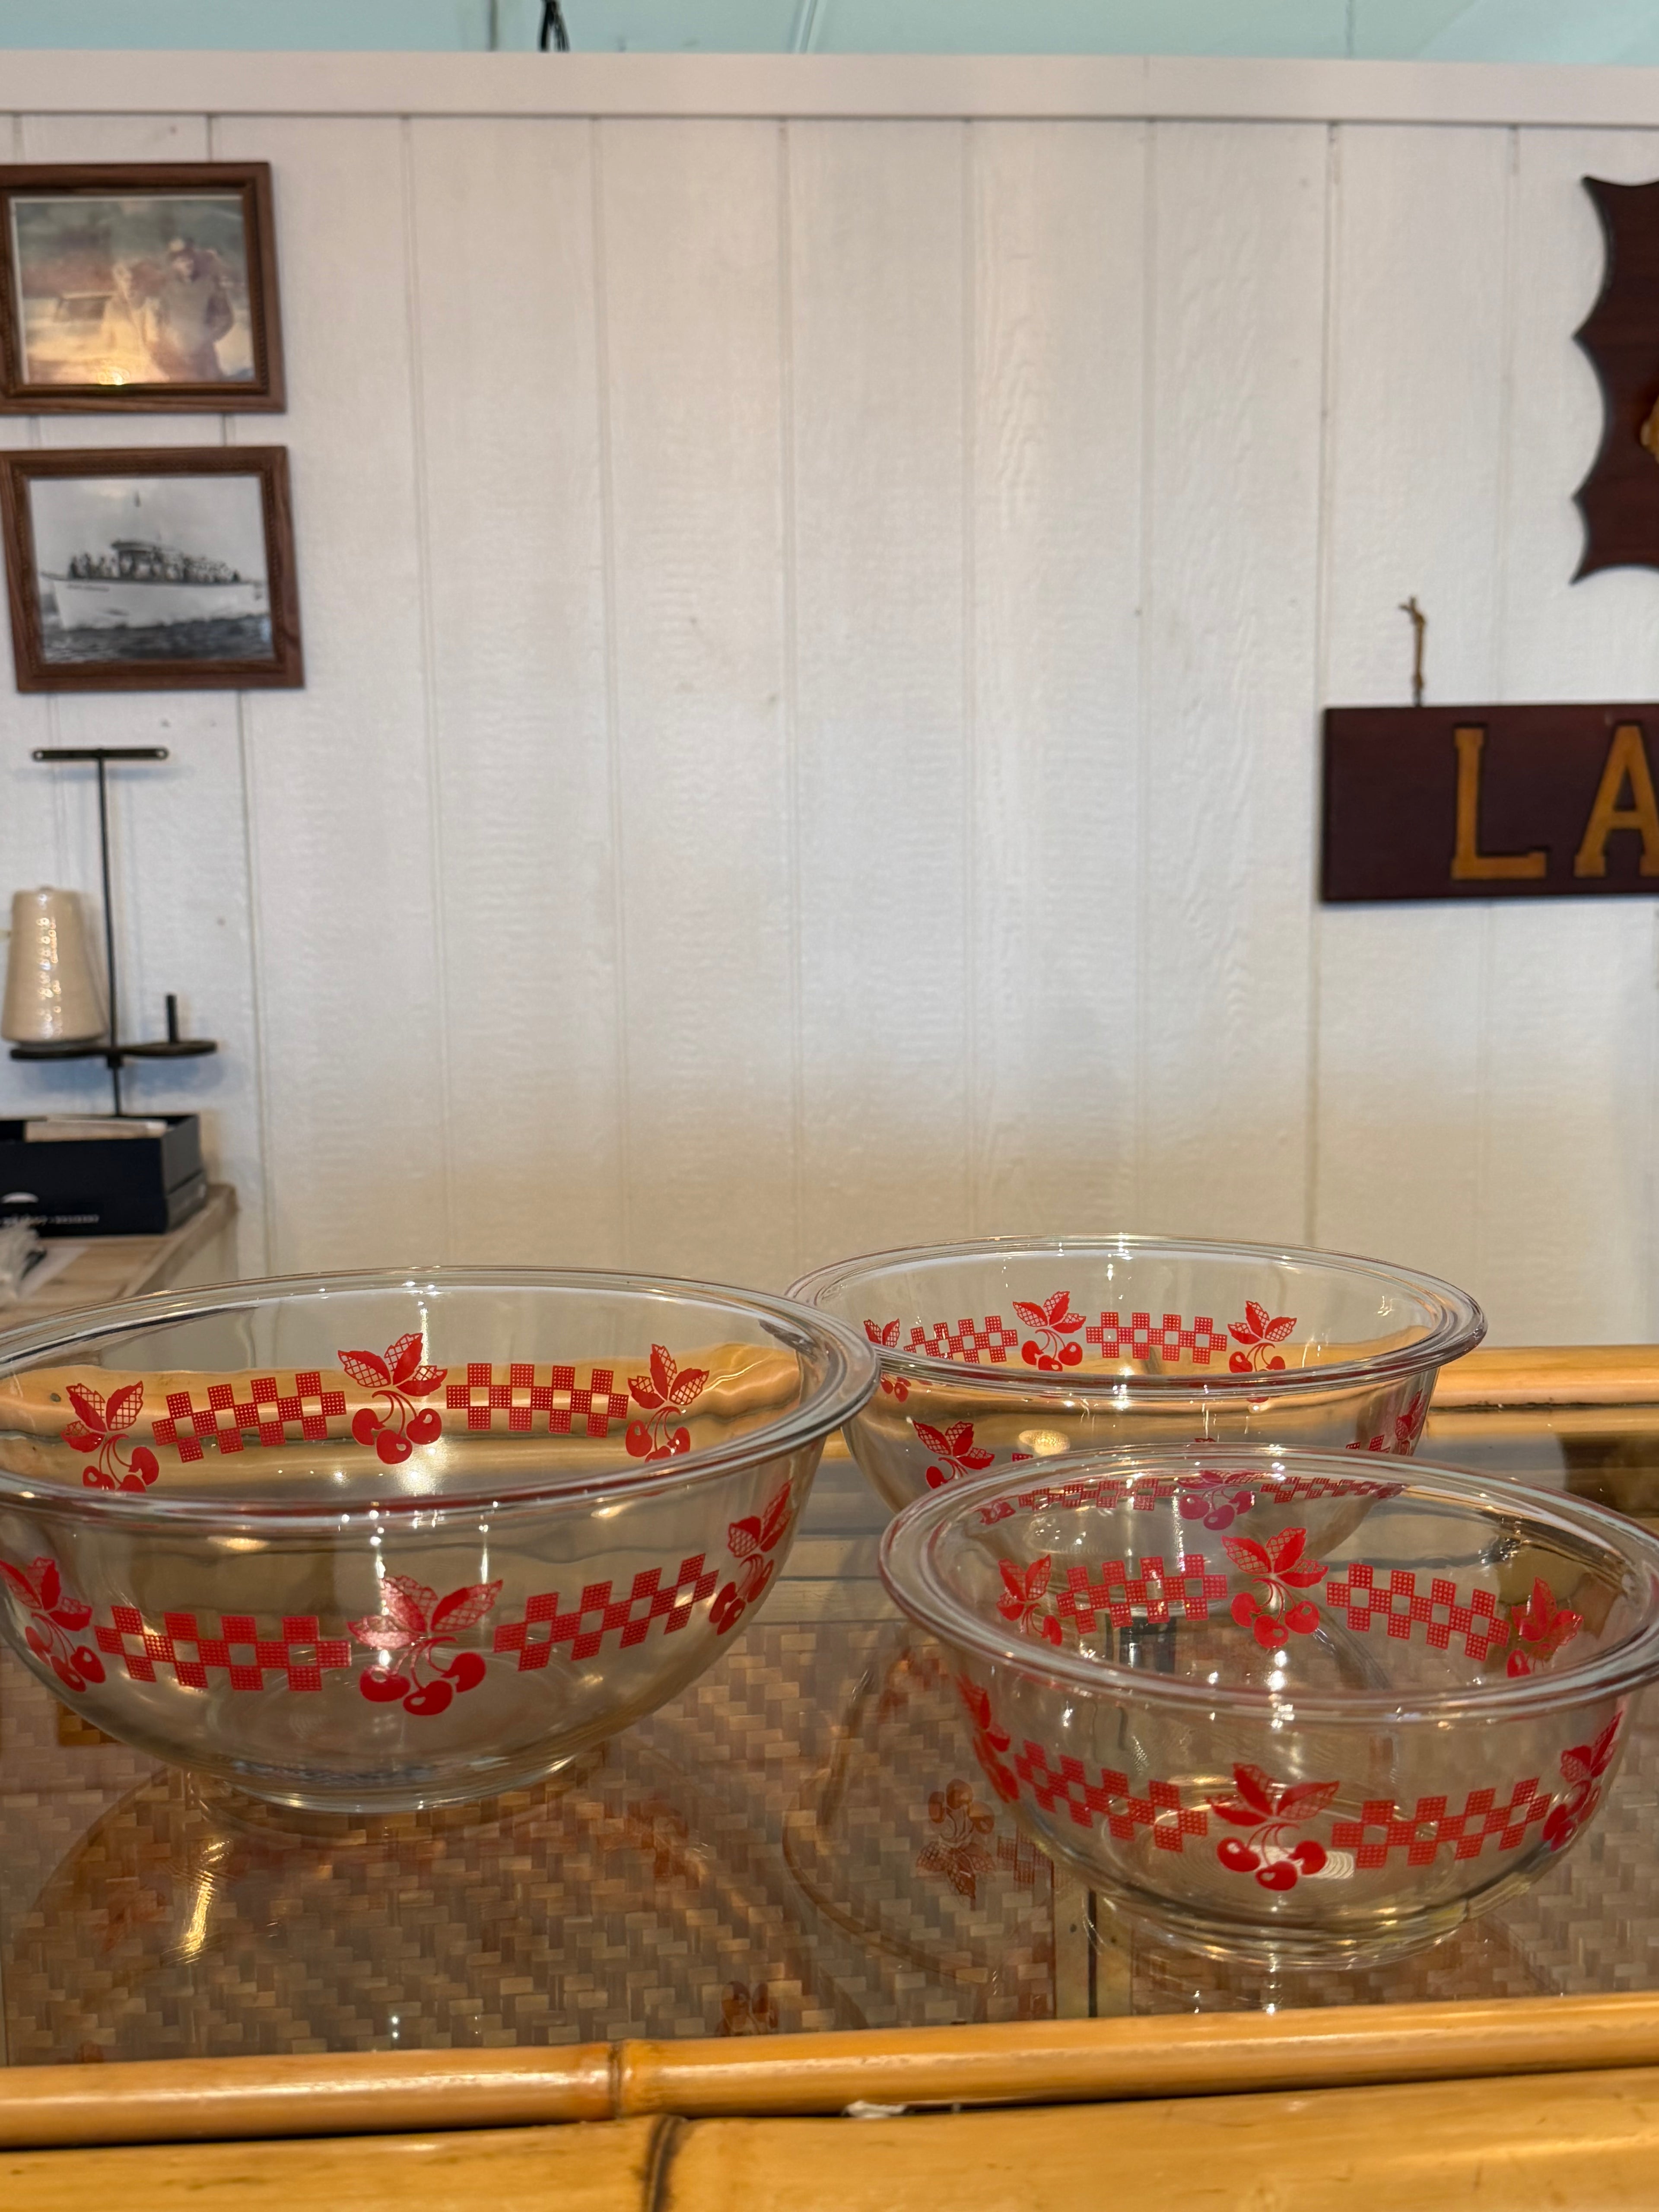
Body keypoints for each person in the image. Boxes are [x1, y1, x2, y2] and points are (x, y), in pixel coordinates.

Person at [137, 237, 233, 382]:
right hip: (175, 357)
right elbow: (157, 322)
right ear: (174, 264)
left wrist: (208, 336)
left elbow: (226, 318)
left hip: (204, 357)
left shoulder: (209, 285)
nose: (189, 264)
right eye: (182, 261)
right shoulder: (165, 290)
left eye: (190, 259)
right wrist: (164, 344)